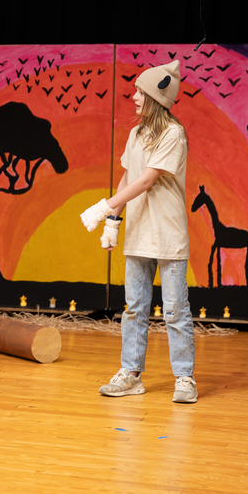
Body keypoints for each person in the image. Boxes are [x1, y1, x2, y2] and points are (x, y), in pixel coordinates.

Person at [80, 60, 197, 403]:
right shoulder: (135, 134)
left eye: (139, 92)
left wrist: (102, 206)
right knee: (134, 307)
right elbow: (129, 177)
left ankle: (184, 377)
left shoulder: (173, 134)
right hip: (139, 231)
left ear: (155, 98)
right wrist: (114, 220)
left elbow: (147, 180)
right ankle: (130, 374)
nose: (133, 97)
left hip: (167, 232)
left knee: (175, 309)